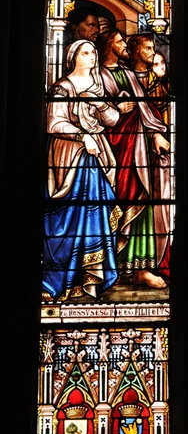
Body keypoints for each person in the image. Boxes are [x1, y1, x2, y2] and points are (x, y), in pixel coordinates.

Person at [42, 39, 123, 301]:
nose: (92, 56)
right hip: (70, 157)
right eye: (85, 52)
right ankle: (57, 282)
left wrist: (100, 104)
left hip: (96, 156)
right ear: (73, 56)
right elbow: (54, 124)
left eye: (94, 52)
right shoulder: (62, 88)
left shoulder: (98, 85)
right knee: (66, 217)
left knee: (95, 212)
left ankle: (90, 279)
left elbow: (113, 119)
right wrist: (82, 136)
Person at [96, 27, 171, 289]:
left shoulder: (128, 73)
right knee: (114, 202)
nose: (124, 45)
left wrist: (154, 134)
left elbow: (145, 108)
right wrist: (113, 109)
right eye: (119, 42)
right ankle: (108, 266)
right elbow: (89, 107)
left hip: (137, 146)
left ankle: (141, 268)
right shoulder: (98, 75)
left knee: (143, 201)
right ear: (109, 46)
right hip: (110, 148)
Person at [127, 34, 170, 125]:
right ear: (136, 51)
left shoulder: (154, 79)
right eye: (148, 48)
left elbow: (165, 110)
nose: (153, 52)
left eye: (153, 48)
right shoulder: (127, 76)